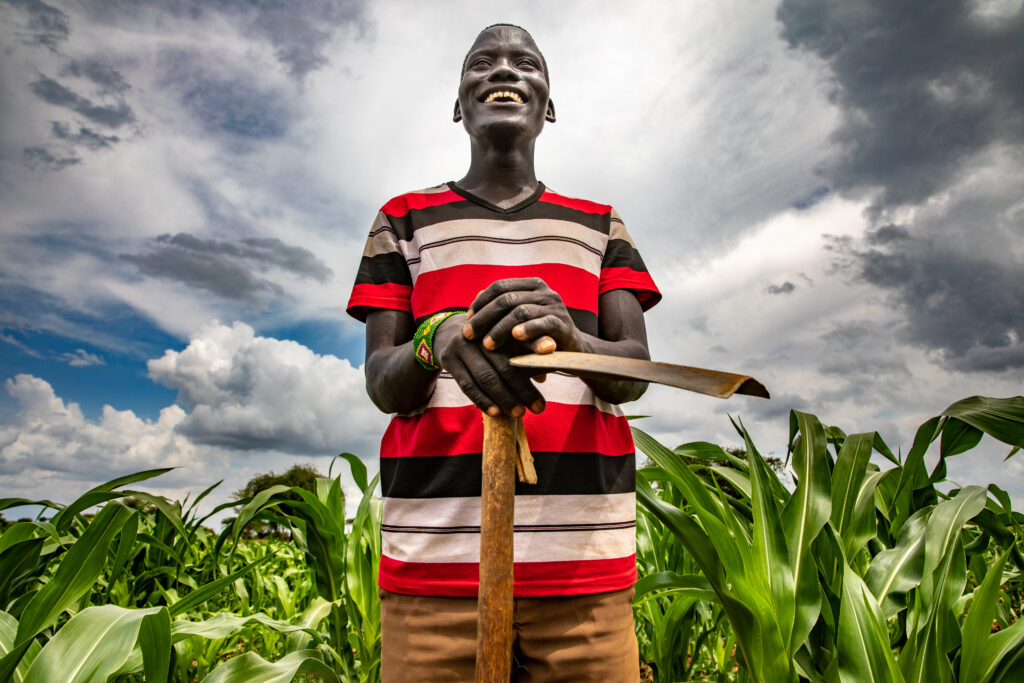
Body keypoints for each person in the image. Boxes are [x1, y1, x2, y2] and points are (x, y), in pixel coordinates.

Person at [347, 23, 660, 682]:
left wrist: (575, 341)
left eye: (525, 62)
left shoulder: (600, 225)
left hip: (583, 569)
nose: (503, 70)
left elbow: (633, 372)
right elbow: (383, 381)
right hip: (434, 567)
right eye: (482, 61)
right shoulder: (402, 220)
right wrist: (439, 339)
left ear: (549, 104)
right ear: (459, 103)